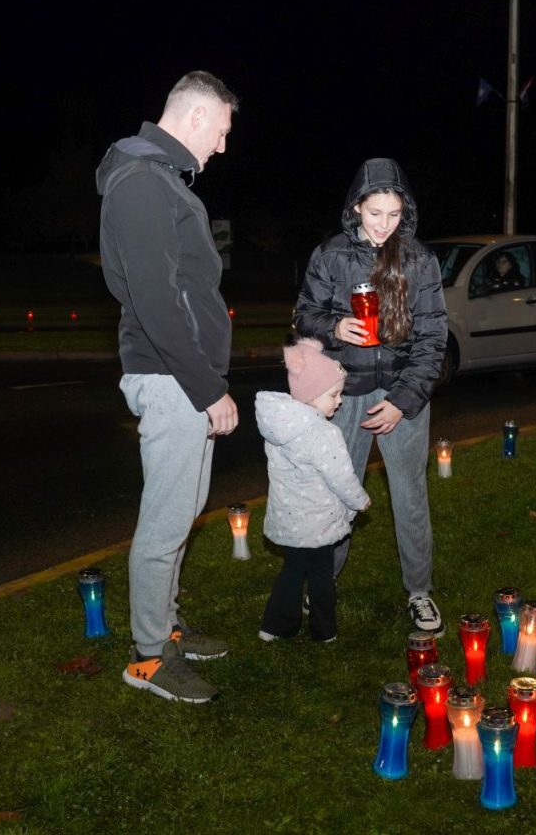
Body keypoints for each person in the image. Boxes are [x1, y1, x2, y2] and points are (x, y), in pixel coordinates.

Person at [96, 70, 238, 703]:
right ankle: (149, 656)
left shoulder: (160, 180)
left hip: (182, 377)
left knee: (182, 512)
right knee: (164, 520)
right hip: (172, 377)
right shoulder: (142, 185)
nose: (223, 147)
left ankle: (168, 626)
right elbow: (156, 300)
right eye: (224, 131)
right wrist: (208, 388)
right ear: (199, 117)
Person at [293, 157, 448, 636]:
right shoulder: (331, 256)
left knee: (410, 495)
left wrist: (403, 400)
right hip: (346, 393)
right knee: (338, 492)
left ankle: (419, 592)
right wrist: (334, 325)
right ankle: (324, 581)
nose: (383, 225)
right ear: (357, 206)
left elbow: (433, 340)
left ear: (406, 213)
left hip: (402, 397)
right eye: (375, 213)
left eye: (394, 215)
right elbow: (304, 316)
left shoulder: (419, 261)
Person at [255, 339, 370, 643]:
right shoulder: (323, 433)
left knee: (292, 570)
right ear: (311, 394)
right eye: (334, 394)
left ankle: (275, 626)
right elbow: (340, 476)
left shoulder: (280, 427)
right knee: (321, 575)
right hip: (317, 522)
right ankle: (324, 630)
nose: (339, 401)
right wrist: (359, 500)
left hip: (289, 518)